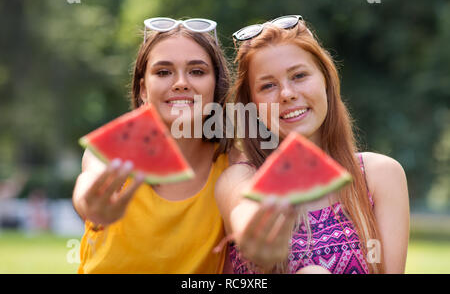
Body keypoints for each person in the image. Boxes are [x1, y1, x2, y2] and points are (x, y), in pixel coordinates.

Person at [215, 15, 409, 274]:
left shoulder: (380, 175)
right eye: (268, 85)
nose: (287, 93)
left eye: (299, 75)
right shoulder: (239, 177)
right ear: (253, 106)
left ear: (326, 81)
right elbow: (242, 209)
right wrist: (253, 229)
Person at [72, 17, 233, 273]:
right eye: (163, 72)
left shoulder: (231, 163)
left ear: (216, 86)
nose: (181, 82)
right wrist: (89, 202)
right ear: (143, 89)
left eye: (197, 71)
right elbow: (90, 181)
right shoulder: (111, 152)